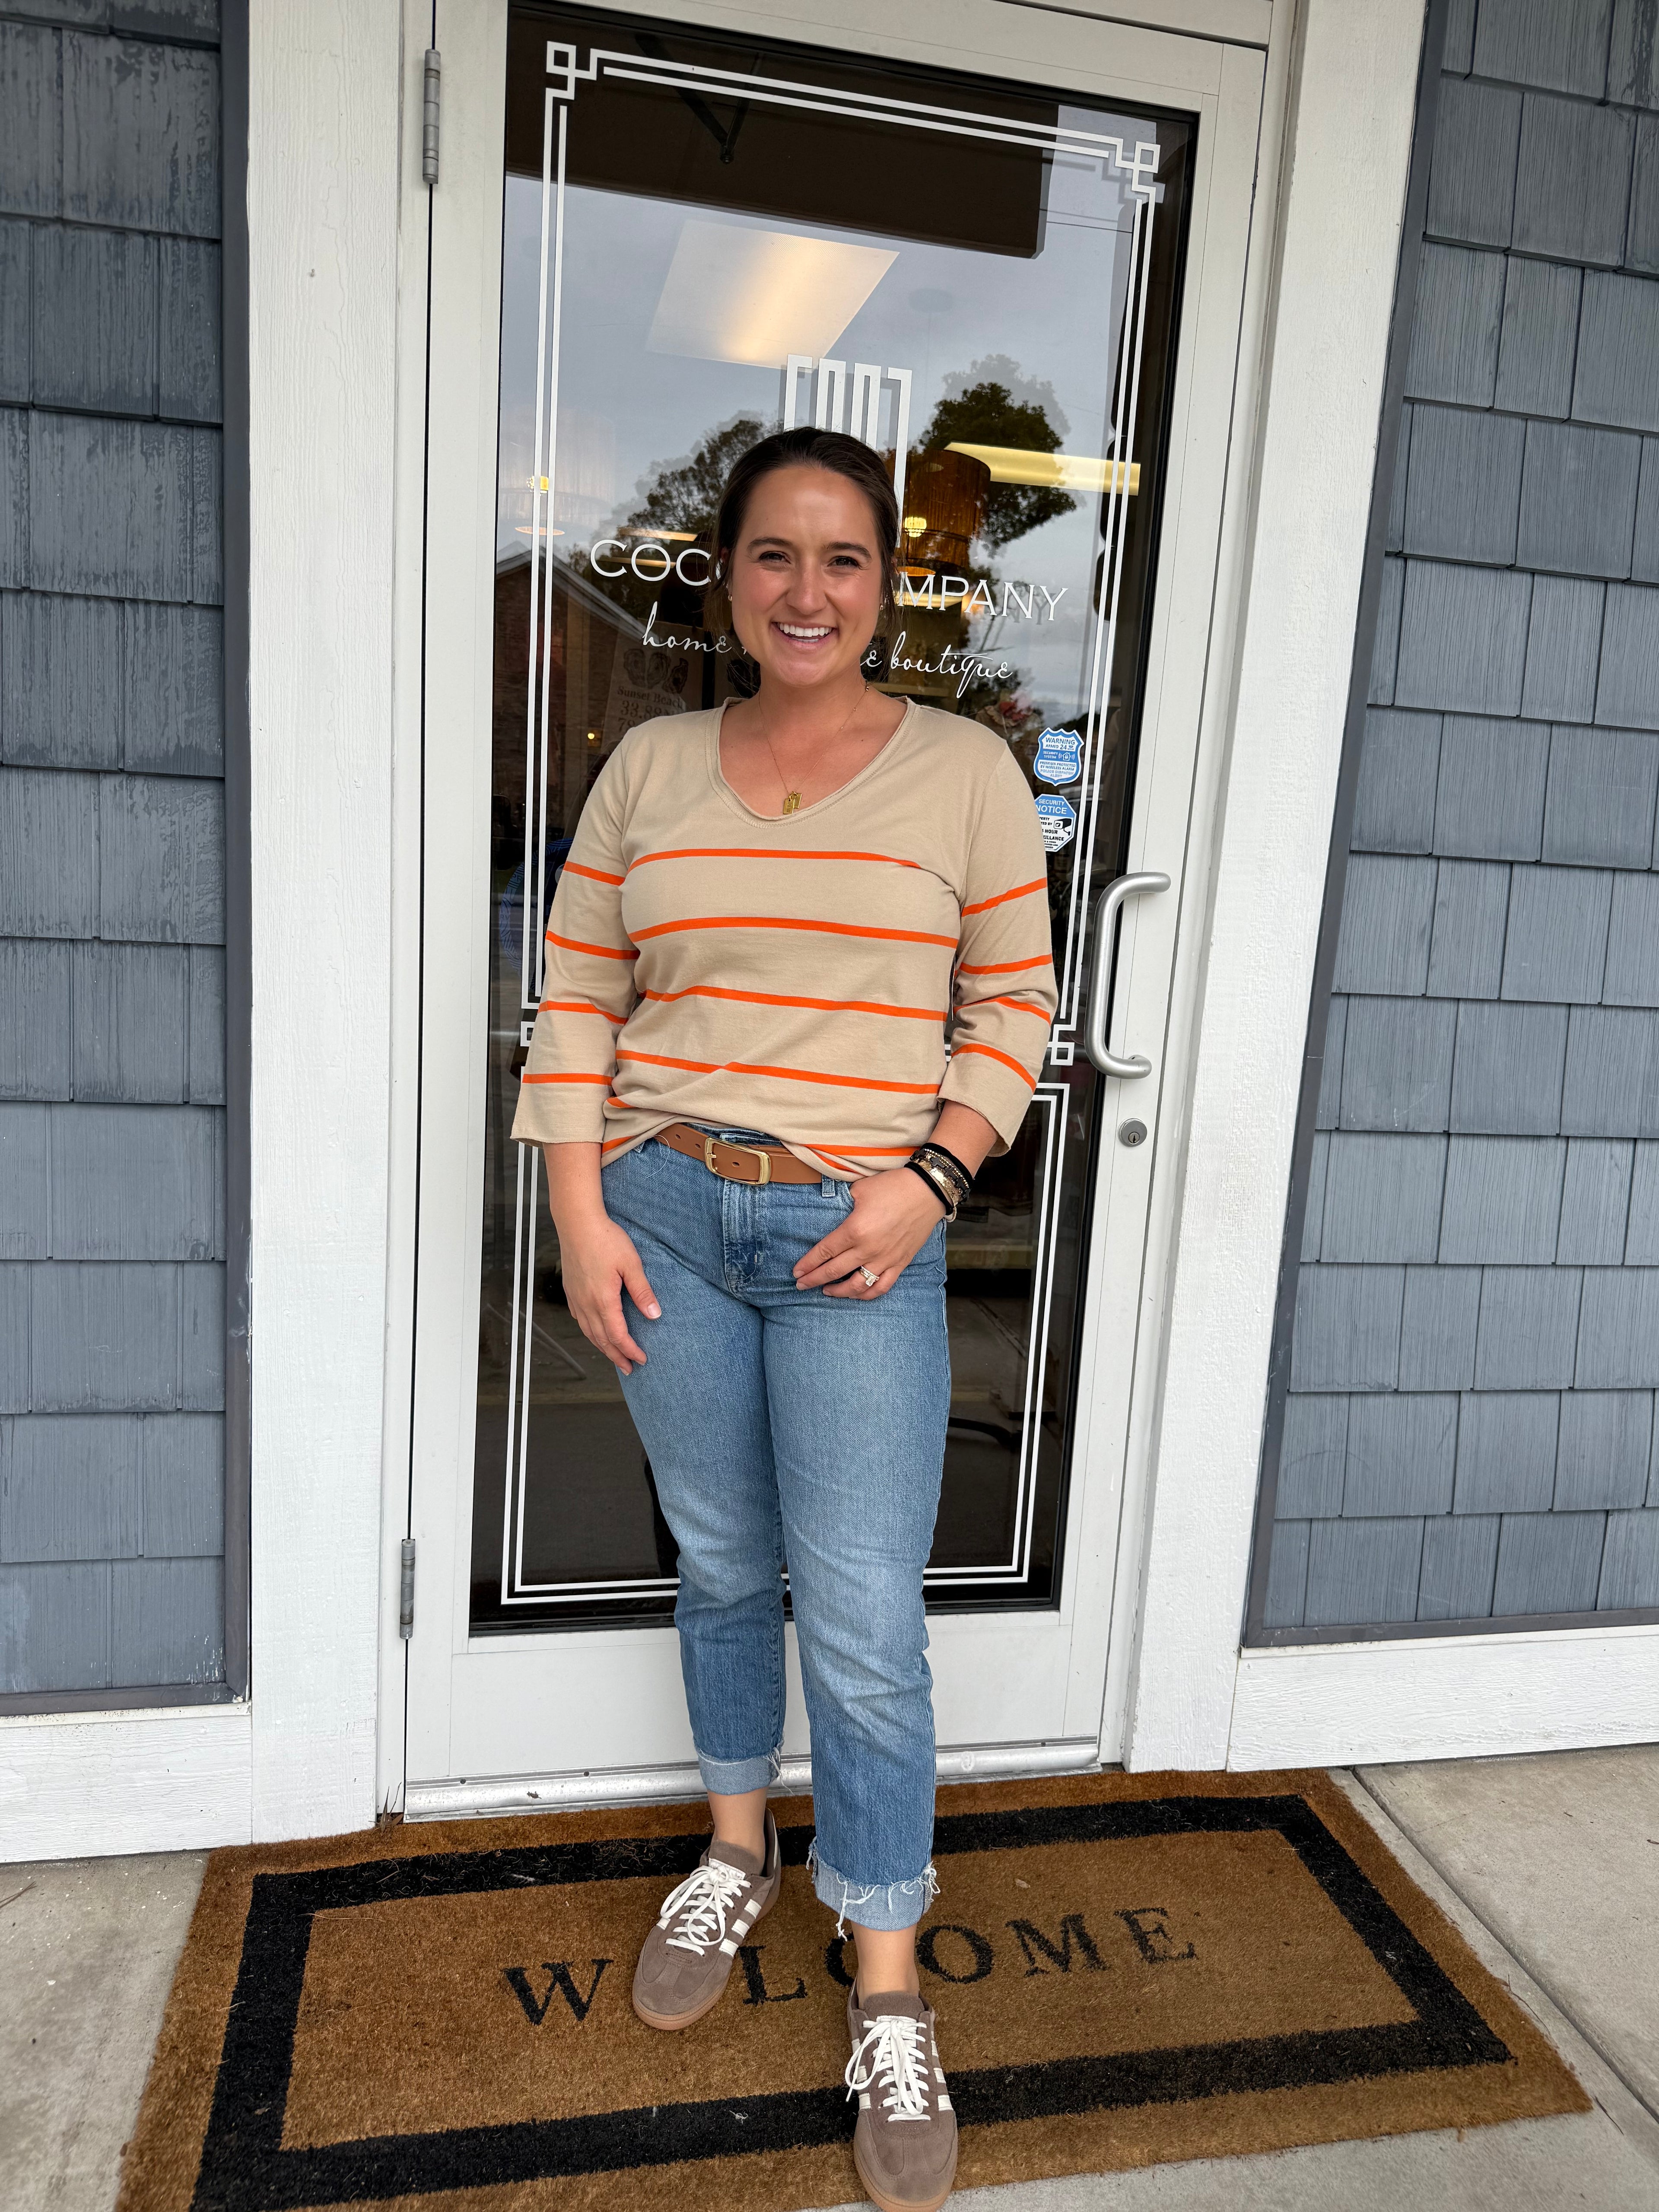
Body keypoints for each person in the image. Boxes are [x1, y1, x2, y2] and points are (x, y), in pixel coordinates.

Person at [511, 425, 1055, 2212]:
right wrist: (580, 1213)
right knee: (729, 1558)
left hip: (860, 1229)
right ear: (723, 573)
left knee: (869, 1612)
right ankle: (738, 1841)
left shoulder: (965, 767)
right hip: (665, 1199)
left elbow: (1014, 1005)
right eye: (772, 554)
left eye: (841, 557)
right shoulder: (654, 763)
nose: (806, 588)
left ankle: (886, 1979)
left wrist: (931, 1177)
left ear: (886, 583)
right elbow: (579, 994)